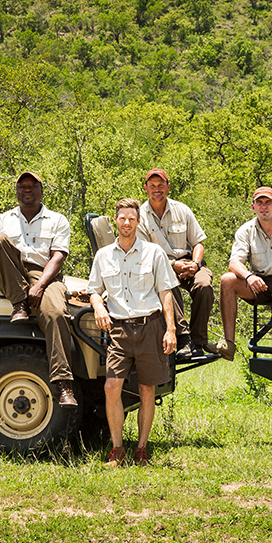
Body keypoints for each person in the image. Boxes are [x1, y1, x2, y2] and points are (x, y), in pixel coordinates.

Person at [0, 171, 77, 406]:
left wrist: (40, 286)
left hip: (45, 274)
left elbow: (58, 257)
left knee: (56, 313)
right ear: (16, 191)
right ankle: (19, 303)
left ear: (41, 190)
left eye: (32, 186)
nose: (27, 190)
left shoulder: (57, 220)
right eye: (22, 186)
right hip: (13, 273)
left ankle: (63, 384)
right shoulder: (2, 220)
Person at [88, 198, 178, 465]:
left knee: (147, 389)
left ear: (138, 222)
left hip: (150, 326)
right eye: (122, 218)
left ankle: (141, 449)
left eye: (131, 218)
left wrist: (170, 329)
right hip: (118, 329)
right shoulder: (103, 255)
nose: (126, 223)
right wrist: (99, 308)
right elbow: (94, 290)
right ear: (115, 221)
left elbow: (166, 292)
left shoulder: (154, 253)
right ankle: (117, 449)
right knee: (111, 386)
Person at [213, 187, 272, 385]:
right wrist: (248, 276)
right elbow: (234, 262)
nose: (264, 207)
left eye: (268, 202)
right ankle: (229, 343)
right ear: (253, 206)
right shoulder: (246, 230)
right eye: (260, 203)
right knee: (227, 280)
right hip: (262, 282)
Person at [136, 167, 214, 360]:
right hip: (160, 266)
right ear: (145, 188)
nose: (157, 189)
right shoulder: (140, 216)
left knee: (204, 285)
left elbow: (198, 242)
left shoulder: (182, 209)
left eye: (161, 185)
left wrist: (195, 264)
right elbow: (145, 254)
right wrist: (172, 265)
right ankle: (184, 337)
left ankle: (199, 340)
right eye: (152, 186)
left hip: (190, 262)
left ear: (168, 187)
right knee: (167, 284)